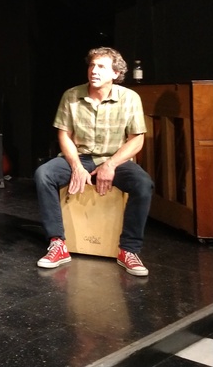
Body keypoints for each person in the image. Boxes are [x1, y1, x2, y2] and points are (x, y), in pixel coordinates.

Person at [34, 47, 153, 276]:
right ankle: (57, 243)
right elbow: (64, 135)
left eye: (101, 67)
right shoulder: (71, 95)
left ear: (115, 73)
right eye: (92, 65)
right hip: (80, 156)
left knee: (143, 184)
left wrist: (110, 165)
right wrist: (76, 166)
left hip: (116, 159)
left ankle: (128, 250)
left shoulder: (129, 98)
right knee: (44, 174)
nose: (94, 71)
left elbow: (136, 139)